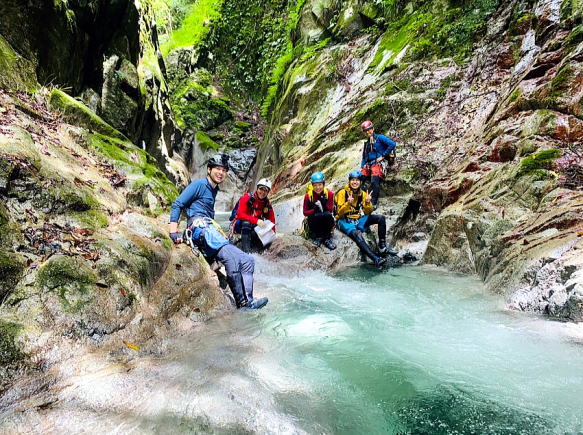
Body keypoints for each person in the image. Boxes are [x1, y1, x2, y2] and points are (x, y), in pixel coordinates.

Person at [169, 154, 268, 310]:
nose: (221, 173)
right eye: (217, 169)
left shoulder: (214, 189)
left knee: (248, 261)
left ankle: (249, 300)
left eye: (224, 170)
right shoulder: (199, 184)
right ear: (209, 170)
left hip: (210, 228)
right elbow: (177, 204)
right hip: (199, 228)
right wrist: (173, 233)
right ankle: (243, 304)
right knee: (230, 258)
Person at [335, 170, 389, 267]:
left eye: (357, 180)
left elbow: (368, 212)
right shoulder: (342, 193)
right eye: (353, 180)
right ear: (349, 181)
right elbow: (339, 214)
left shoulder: (363, 194)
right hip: (344, 221)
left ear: (360, 182)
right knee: (357, 234)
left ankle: (382, 246)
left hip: (357, 219)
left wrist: (368, 202)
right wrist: (348, 204)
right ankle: (375, 258)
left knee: (381, 218)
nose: (355, 182)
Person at [232, 178, 276, 253]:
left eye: (265, 190)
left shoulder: (267, 203)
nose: (263, 192)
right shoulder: (247, 197)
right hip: (239, 225)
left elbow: (272, 220)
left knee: (265, 230)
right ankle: (247, 252)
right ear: (257, 188)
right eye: (261, 189)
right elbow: (240, 214)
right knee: (246, 223)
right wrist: (256, 221)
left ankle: (257, 250)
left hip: (253, 226)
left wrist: (272, 233)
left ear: (268, 192)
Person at [360, 120, 397, 208]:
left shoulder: (380, 138)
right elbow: (364, 157)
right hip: (369, 164)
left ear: (373, 129)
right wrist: (362, 167)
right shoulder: (367, 144)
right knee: (359, 179)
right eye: (365, 131)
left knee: (374, 180)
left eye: (369, 129)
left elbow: (392, 144)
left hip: (379, 163)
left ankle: (374, 202)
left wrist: (383, 155)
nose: (367, 132)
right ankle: (363, 199)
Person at [303, 172, 336, 250]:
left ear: (323, 184)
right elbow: (305, 212)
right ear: (312, 185)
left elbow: (330, 209)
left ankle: (327, 238)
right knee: (315, 216)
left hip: (326, 219)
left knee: (328, 215)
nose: (318, 187)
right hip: (314, 220)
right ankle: (319, 237)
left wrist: (324, 204)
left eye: (320, 184)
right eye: (315, 185)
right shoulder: (308, 196)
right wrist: (314, 210)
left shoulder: (329, 194)